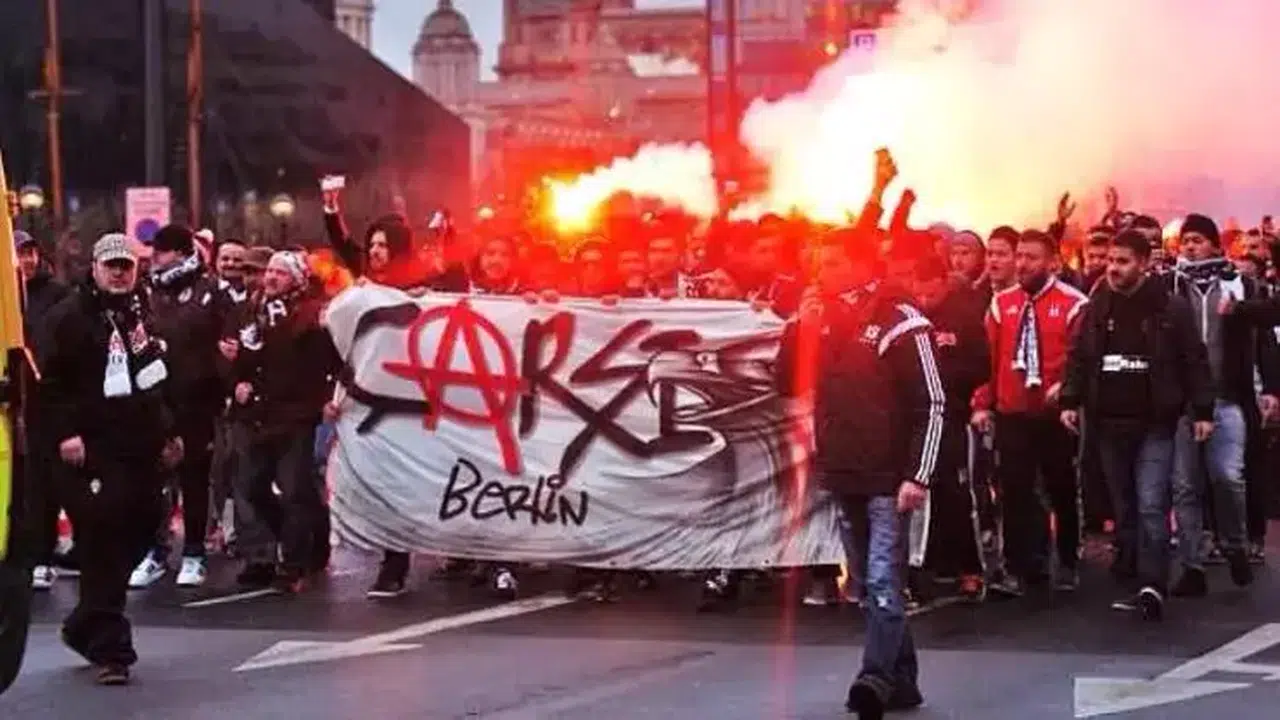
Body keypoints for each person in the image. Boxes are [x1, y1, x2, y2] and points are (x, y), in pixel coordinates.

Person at [776, 225, 944, 719]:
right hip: (844, 471)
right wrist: (798, 330)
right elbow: (785, 383)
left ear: (860, 264)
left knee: (883, 581)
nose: (820, 274)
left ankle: (872, 678)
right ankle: (905, 680)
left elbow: (932, 402)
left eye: (830, 264)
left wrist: (919, 474)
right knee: (867, 587)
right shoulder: (821, 318)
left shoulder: (901, 321)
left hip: (889, 477)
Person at [39, 233, 183, 685]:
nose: (119, 272)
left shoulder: (142, 316)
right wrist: (66, 433)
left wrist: (169, 432)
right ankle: (111, 650)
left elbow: (153, 382)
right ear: (96, 268)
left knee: (143, 529)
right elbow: (48, 382)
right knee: (104, 538)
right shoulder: (69, 317)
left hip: (139, 444)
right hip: (91, 448)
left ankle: (85, 623)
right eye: (111, 265)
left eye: (127, 265)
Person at [1060, 230, 1213, 620]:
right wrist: (1070, 400)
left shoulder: (1170, 307)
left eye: (1123, 261)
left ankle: (1152, 585)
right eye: (1111, 260)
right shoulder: (1099, 303)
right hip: (1109, 423)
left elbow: (1194, 359)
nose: (1114, 268)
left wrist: (1202, 411)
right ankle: (1133, 576)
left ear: (1144, 264)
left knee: (1150, 505)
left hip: (1155, 424)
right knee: (1125, 507)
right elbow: (1080, 354)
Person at [972, 230, 1088, 594]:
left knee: (1060, 488)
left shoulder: (1074, 304)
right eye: (1019, 256)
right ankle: (1023, 568)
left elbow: (1080, 358)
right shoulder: (1000, 304)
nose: (1022, 264)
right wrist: (982, 404)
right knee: (1014, 490)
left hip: (1054, 415)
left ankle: (1068, 559)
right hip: (1012, 411)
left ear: (1052, 262)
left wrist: (1068, 392)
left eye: (1031, 257)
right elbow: (987, 359)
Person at [1166, 214, 1276, 594]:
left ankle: (1235, 545)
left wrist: (1239, 311)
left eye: (1198, 240)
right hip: (1181, 404)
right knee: (1185, 485)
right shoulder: (1170, 285)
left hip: (1227, 399)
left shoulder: (1239, 284)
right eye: (1185, 241)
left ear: (1215, 244)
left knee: (1228, 478)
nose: (1191, 247)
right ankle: (1192, 566)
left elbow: (1270, 317)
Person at [225, 251, 338, 593]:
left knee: (293, 489)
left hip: (295, 414)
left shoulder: (312, 315)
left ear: (298, 280)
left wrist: (327, 400)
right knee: (253, 487)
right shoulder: (250, 310)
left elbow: (329, 361)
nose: (271, 278)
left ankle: (293, 563)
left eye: (281, 273)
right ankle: (311, 534)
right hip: (256, 413)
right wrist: (235, 381)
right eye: (269, 271)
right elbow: (230, 352)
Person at [130, 225, 234, 589]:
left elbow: (228, 341)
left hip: (197, 400)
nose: (155, 258)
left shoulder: (211, 290)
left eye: (161, 250)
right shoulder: (146, 291)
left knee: (193, 477)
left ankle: (194, 552)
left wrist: (219, 382)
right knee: (153, 477)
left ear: (180, 252)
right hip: (156, 399)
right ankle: (155, 551)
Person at [17, 230, 74, 590]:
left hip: (47, 397)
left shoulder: (57, 296)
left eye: (29, 253)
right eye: (18, 253)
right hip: (13, 398)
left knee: (47, 478)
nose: (24, 260)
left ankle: (45, 552)